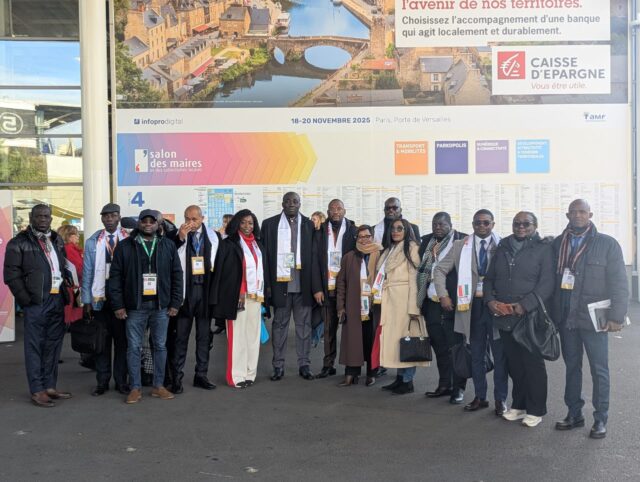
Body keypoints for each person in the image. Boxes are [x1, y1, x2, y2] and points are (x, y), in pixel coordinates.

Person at [552, 199, 629, 439]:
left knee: (599, 369)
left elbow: (619, 282)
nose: (577, 215)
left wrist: (616, 316)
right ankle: (574, 413)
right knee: (572, 368)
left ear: (590, 215)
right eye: (573, 212)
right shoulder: (558, 244)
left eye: (582, 212)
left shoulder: (607, 244)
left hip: (594, 319)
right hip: (567, 319)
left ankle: (600, 419)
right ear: (567, 215)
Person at [433, 209, 509, 415]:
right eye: (477, 223)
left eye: (486, 222)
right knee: (476, 355)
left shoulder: (503, 245)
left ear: (493, 224)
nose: (481, 226)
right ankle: (480, 396)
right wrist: (443, 295)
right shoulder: (461, 246)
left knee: (500, 356)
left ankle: (501, 399)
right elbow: (439, 270)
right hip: (471, 308)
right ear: (473, 224)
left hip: (496, 307)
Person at [484, 211, 554, 428]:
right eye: (517, 224)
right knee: (514, 364)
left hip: (529, 317)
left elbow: (547, 284)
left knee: (533, 365)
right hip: (505, 316)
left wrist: (525, 305)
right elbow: (489, 279)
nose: (521, 227)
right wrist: (490, 301)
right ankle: (519, 405)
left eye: (526, 224)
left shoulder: (544, 249)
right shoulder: (503, 246)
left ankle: (536, 410)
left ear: (535, 225)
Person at [108, 209, 183, 404]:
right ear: (139, 223)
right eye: (144, 221)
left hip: (161, 306)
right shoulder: (125, 246)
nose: (148, 224)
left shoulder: (168, 245)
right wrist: (118, 305)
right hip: (135, 306)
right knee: (134, 347)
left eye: (152, 221)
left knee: (160, 346)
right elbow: (115, 278)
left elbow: (177, 274)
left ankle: (158, 386)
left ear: (158, 224)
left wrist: (175, 302)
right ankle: (135, 387)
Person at [3, 204, 72, 407]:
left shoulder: (56, 240)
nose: (43, 219)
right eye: (39, 216)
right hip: (36, 302)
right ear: (31, 217)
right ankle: (37, 390)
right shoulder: (19, 242)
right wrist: (26, 300)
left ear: (51, 219)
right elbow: (11, 275)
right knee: (35, 346)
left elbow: (60, 266)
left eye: (46, 216)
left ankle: (49, 386)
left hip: (56, 299)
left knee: (53, 345)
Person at [261, 191, 316, 381]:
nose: (291, 204)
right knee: (279, 327)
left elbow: (315, 257)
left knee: (304, 328)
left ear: (300, 204)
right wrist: (267, 285)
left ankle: (304, 364)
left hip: (303, 286)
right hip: (280, 286)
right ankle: (278, 366)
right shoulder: (269, 224)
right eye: (288, 201)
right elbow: (265, 258)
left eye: (295, 201)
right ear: (282, 204)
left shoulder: (309, 225)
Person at [211, 209, 267, 388]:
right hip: (237, 297)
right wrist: (240, 291)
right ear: (236, 224)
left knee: (252, 336)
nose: (247, 226)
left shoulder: (258, 244)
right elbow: (226, 273)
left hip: (255, 296)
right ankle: (236, 376)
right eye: (243, 222)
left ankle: (250, 373)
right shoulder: (229, 244)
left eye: (250, 223)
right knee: (237, 337)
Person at [168, 205, 220, 393]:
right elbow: (168, 255)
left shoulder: (213, 236)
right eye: (187, 218)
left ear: (202, 219)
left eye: (194, 219)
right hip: (186, 292)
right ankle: (176, 378)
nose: (190, 223)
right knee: (180, 338)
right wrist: (180, 238)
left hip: (205, 292)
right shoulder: (175, 235)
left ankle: (201, 375)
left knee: (204, 337)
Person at [418, 212, 468, 404]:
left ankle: (458, 388)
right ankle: (444, 384)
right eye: (434, 224)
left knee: (455, 347)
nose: (437, 227)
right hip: (431, 302)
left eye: (441, 224)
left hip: (452, 302)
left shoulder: (462, 240)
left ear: (450, 224)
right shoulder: (426, 242)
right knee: (439, 346)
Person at [82, 203, 130, 396]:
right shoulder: (93, 241)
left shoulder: (128, 239)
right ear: (101, 218)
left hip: (123, 299)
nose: (109, 219)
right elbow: (87, 273)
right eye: (106, 216)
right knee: (101, 343)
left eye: (113, 215)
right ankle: (102, 382)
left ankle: (121, 381)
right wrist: (86, 301)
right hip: (99, 298)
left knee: (122, 342)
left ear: (119, 217)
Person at [376, 218, 428, 395]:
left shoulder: (412, 248)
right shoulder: (389, 249)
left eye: (400, 228)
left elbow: (415, 279)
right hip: (391, 300)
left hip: (404, 301)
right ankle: (399, 378)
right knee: (396, 341)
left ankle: (407, 381)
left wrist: (414, 306)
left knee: (408, 339)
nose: (395, 231)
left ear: (407, 231)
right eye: (393, 228)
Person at [312, 199, 357, 378]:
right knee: (329, 330)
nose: (336, 211)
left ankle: (351, 367)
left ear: (345, 211)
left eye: (339, 208)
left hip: (347, 289)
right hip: (327, 289)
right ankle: (328, 365)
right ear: (328, 212)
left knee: (350, 329)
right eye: (332, 209)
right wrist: (317, 288)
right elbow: (314, 261)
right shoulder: (320, 231)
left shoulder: (353, 231)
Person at [335, 225, 382, 387]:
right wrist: (340, 306)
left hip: (374, 306)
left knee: (372, 340)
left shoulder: (380, 255)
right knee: (353, 340)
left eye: (367, 236)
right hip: (354, 305)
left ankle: (372, 373)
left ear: (372, 237)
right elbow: (341, 283)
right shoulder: (349, 257)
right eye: (360, 237)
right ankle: (351, 373)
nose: (364, 239)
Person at [58, 224, 83, 324]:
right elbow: (79, 269)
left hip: (67, 288)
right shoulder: (69, 249)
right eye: (76, 234)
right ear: (68, 236)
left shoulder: (62, 248)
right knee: (73, 319)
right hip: (73, 288)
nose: (78, 236)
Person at [310, 211, 326, 347]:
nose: (312, 221)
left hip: (323, 278)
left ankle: (318, 336)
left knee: (322, 310)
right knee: (315, 311)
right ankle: (315, 336)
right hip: (313, 279)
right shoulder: (311, 234)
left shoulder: (324, 235)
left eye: (314, 219)